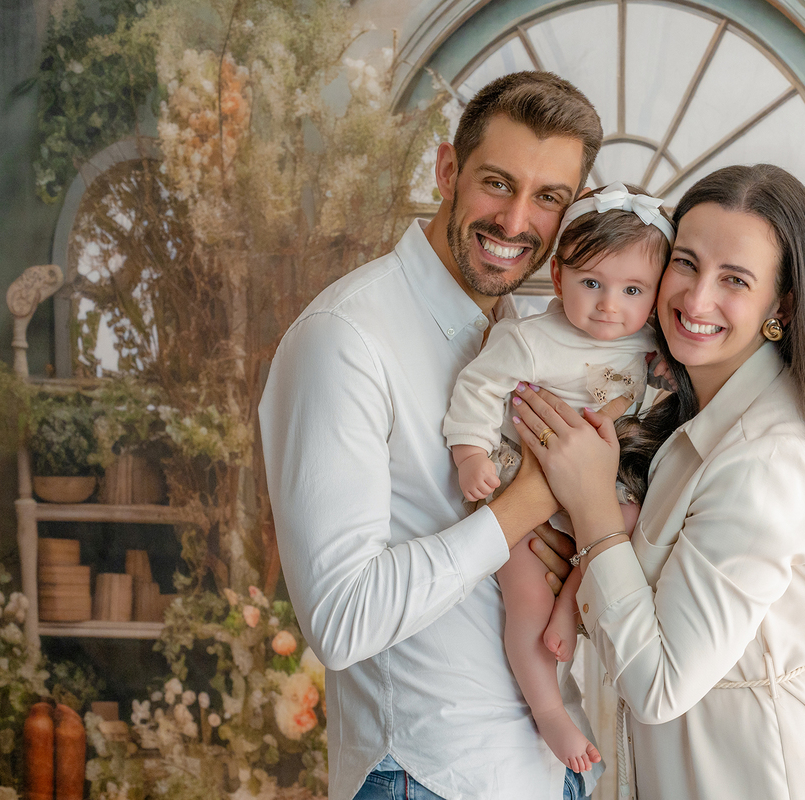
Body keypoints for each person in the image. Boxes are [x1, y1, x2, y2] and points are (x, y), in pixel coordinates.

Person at [258, 72, 617, 800]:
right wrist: (523, 502)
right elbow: (340, 619)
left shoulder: (522, 333)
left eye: (548, 197)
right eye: (497, 183)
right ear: (448, 170)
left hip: (548, 773)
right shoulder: (346, 339)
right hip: (429, 775)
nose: (516, 221)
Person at [510, 164, 805, 799]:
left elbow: (658, 686)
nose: (696, 298)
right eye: (685, 263)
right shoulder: (689, 424)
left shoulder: (765, 461)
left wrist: (594, 509)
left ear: (781, 307)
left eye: (734, 280)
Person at [442, 182, 673, 772]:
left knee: (635, 520)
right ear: (560, 273)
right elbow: (477, 387)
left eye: (632, 290)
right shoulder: (529, 338)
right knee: (522, 596)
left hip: (602, 487)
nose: (608, 306)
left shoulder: (650, 346)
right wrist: (472, 455)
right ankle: (549, 712)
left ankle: (572, 597)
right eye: (591, 283)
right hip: (526, 484)